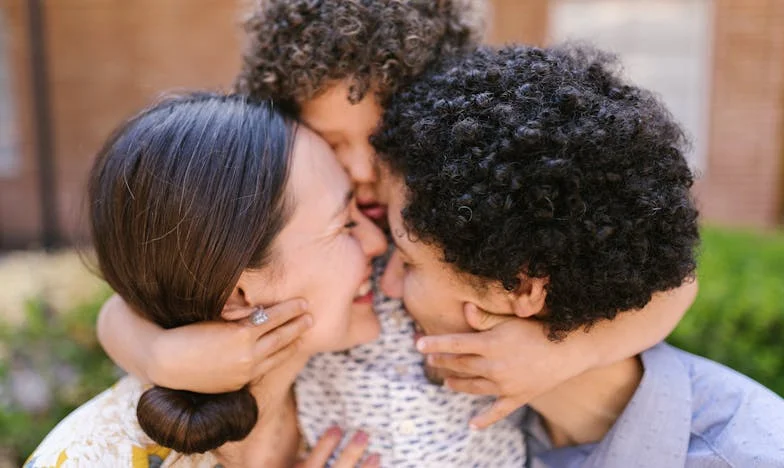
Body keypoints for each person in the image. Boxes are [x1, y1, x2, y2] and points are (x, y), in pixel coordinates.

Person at [96, 1, 698, 465]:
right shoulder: (304, 246)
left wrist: (563, 353)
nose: (361, 171)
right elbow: (130, 307)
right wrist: (161, 355)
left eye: (379, 140)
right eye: (332, 142)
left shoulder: (458, 234)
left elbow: (672, 285)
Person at [374, 44, 784, 467]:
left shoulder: (750, 456)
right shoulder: (482, 433)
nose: (386, 284)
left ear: (522, 287)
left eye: (408, 262)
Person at [26, 93, 387, 467]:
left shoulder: (363, 393)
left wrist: (157, 353)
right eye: (346, 224)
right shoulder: (93, 457)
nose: (379, 241)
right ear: (237, 296)